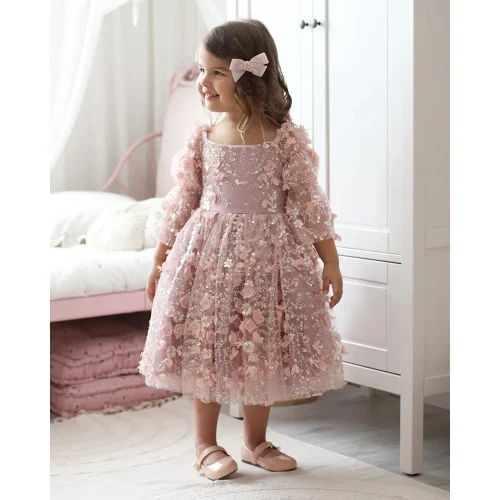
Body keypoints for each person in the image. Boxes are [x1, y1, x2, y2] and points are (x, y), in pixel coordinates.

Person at [138, 19, 347, 481]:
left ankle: (255, 441)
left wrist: (330, 259)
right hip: (209, 259)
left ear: (249, 76)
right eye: (200, 70)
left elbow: (308, 200)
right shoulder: (203, 138)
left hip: (270, 259)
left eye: (216, 72)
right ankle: (206, 444)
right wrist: (159, 257)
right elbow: (182, 201)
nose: (203, 82)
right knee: (208, 349)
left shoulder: (284, 139)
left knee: (260, 346)